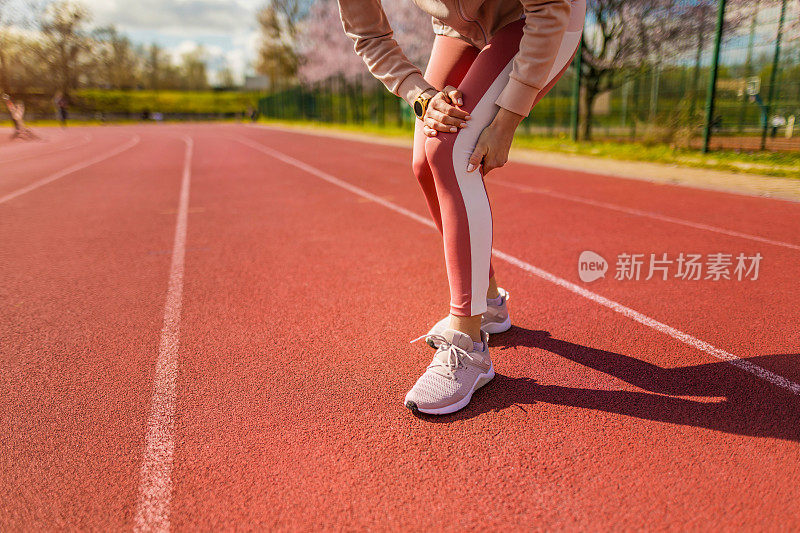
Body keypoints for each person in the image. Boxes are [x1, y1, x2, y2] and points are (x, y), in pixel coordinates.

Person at [337, 0, 585, 415]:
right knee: (424, 163)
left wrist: (508, 118)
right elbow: (369, 35)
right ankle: (487, 302)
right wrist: (422, 96)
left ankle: (469, 347)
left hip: (541, 17)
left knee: (451, 152)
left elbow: (548, 9)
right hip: (459, 29)